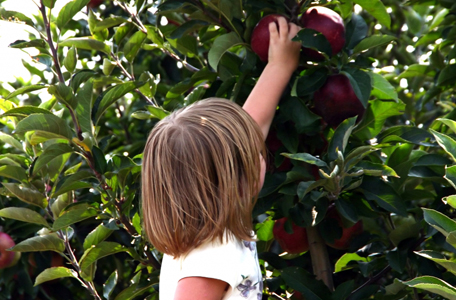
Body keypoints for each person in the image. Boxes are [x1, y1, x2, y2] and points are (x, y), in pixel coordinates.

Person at [141, 17, 301, 300]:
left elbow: (254, 123)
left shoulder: (204, 235)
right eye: (251, 154)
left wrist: (280, 65)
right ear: (231, 181)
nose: (260, 151)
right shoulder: (214, 255)